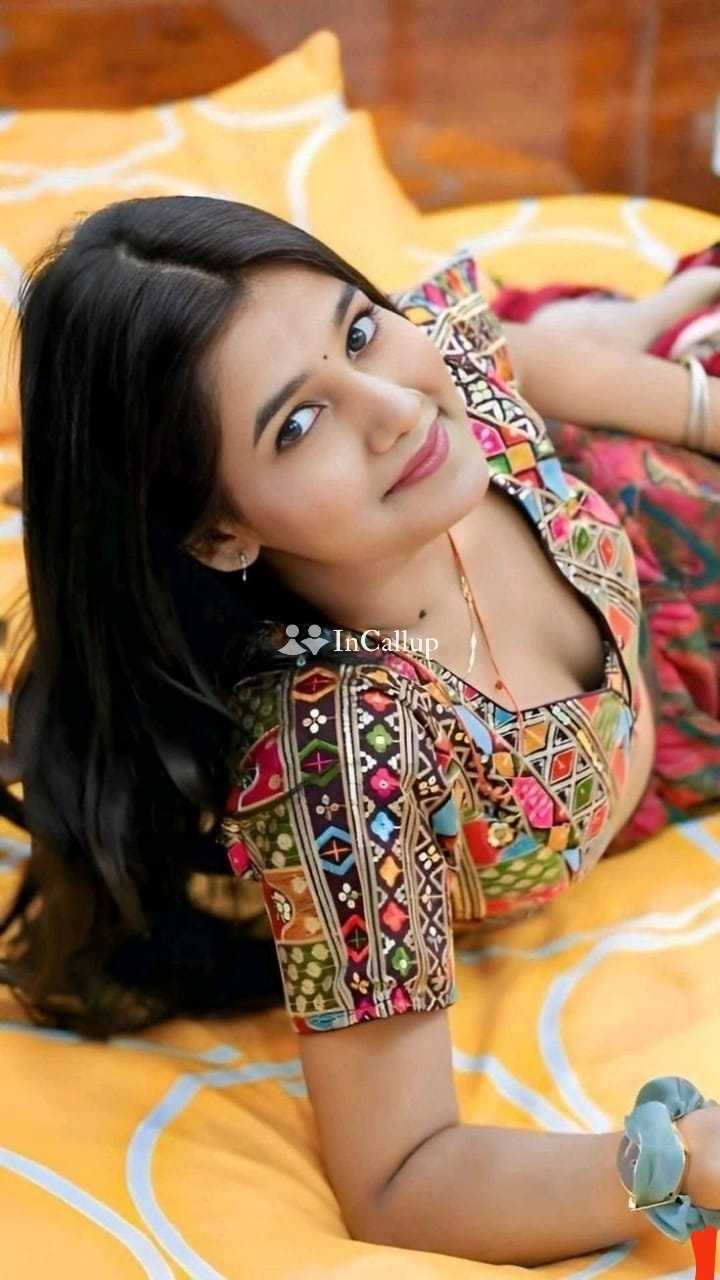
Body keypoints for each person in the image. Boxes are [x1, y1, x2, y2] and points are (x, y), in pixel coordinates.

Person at [1, 194, 720, 1265]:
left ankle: (637, 319)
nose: (392, 409)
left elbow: (497, 352)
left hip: (665, 493)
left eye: (359, 327)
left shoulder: (420, 391)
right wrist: (681, 1161)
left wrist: (699, 405)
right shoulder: (342, 759)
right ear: (219, 530)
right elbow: (401, 1177)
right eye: (297, 424)